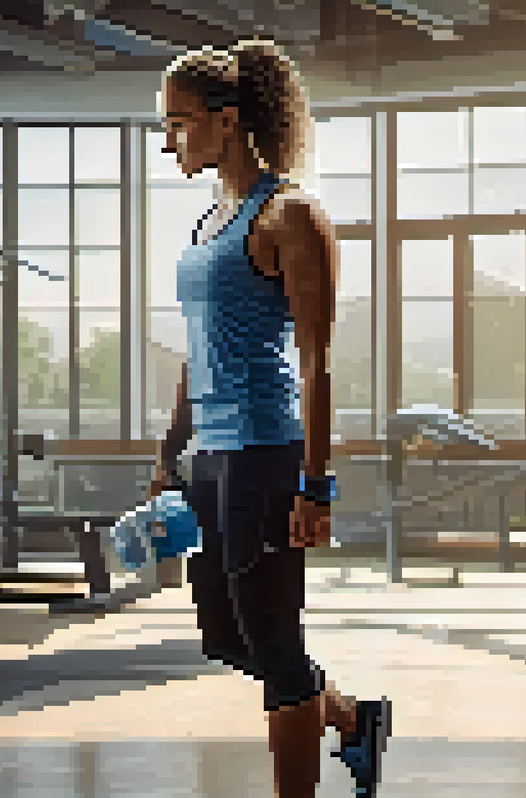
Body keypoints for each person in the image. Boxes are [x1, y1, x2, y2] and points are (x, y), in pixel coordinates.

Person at [146, 41, 391, 797]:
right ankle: (351, 719)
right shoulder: (206, 224)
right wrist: (170, 449)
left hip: (266, 452)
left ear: (226, 122)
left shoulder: (291, 215)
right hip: (213, 460)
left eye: (179, 124)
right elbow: (198, 351)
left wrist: (316, 486)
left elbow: (317, 362)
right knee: (224, 635)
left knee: (276, 644)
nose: (169, 141)